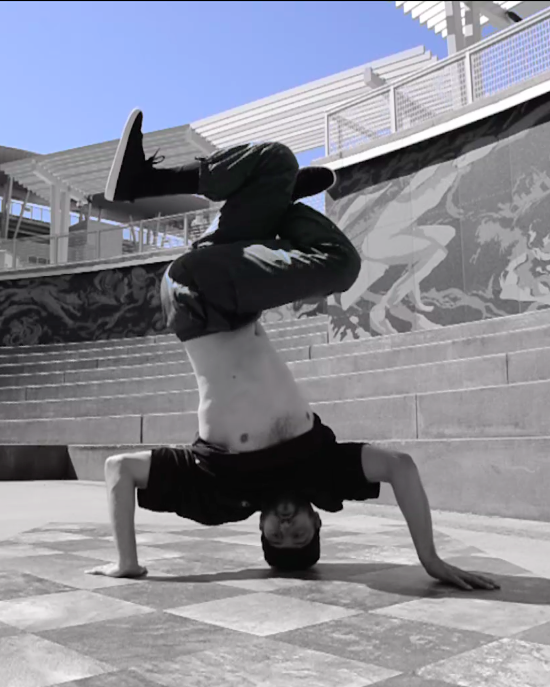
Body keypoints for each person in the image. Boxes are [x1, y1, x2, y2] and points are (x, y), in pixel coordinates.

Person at [87, 109, 499, 592]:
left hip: (199, 301)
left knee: (340, 265)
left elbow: (119, 470)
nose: (286, 525)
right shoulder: (325, 472)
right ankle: (264, 197)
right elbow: (400, 467)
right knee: (273, 162)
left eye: (276, 536)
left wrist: (127, 562)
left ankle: (271, 203)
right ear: (318, 521)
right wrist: (429, 558)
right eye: (299, 533)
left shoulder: (221, 493)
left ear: (260, 529)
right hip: (229, 281)